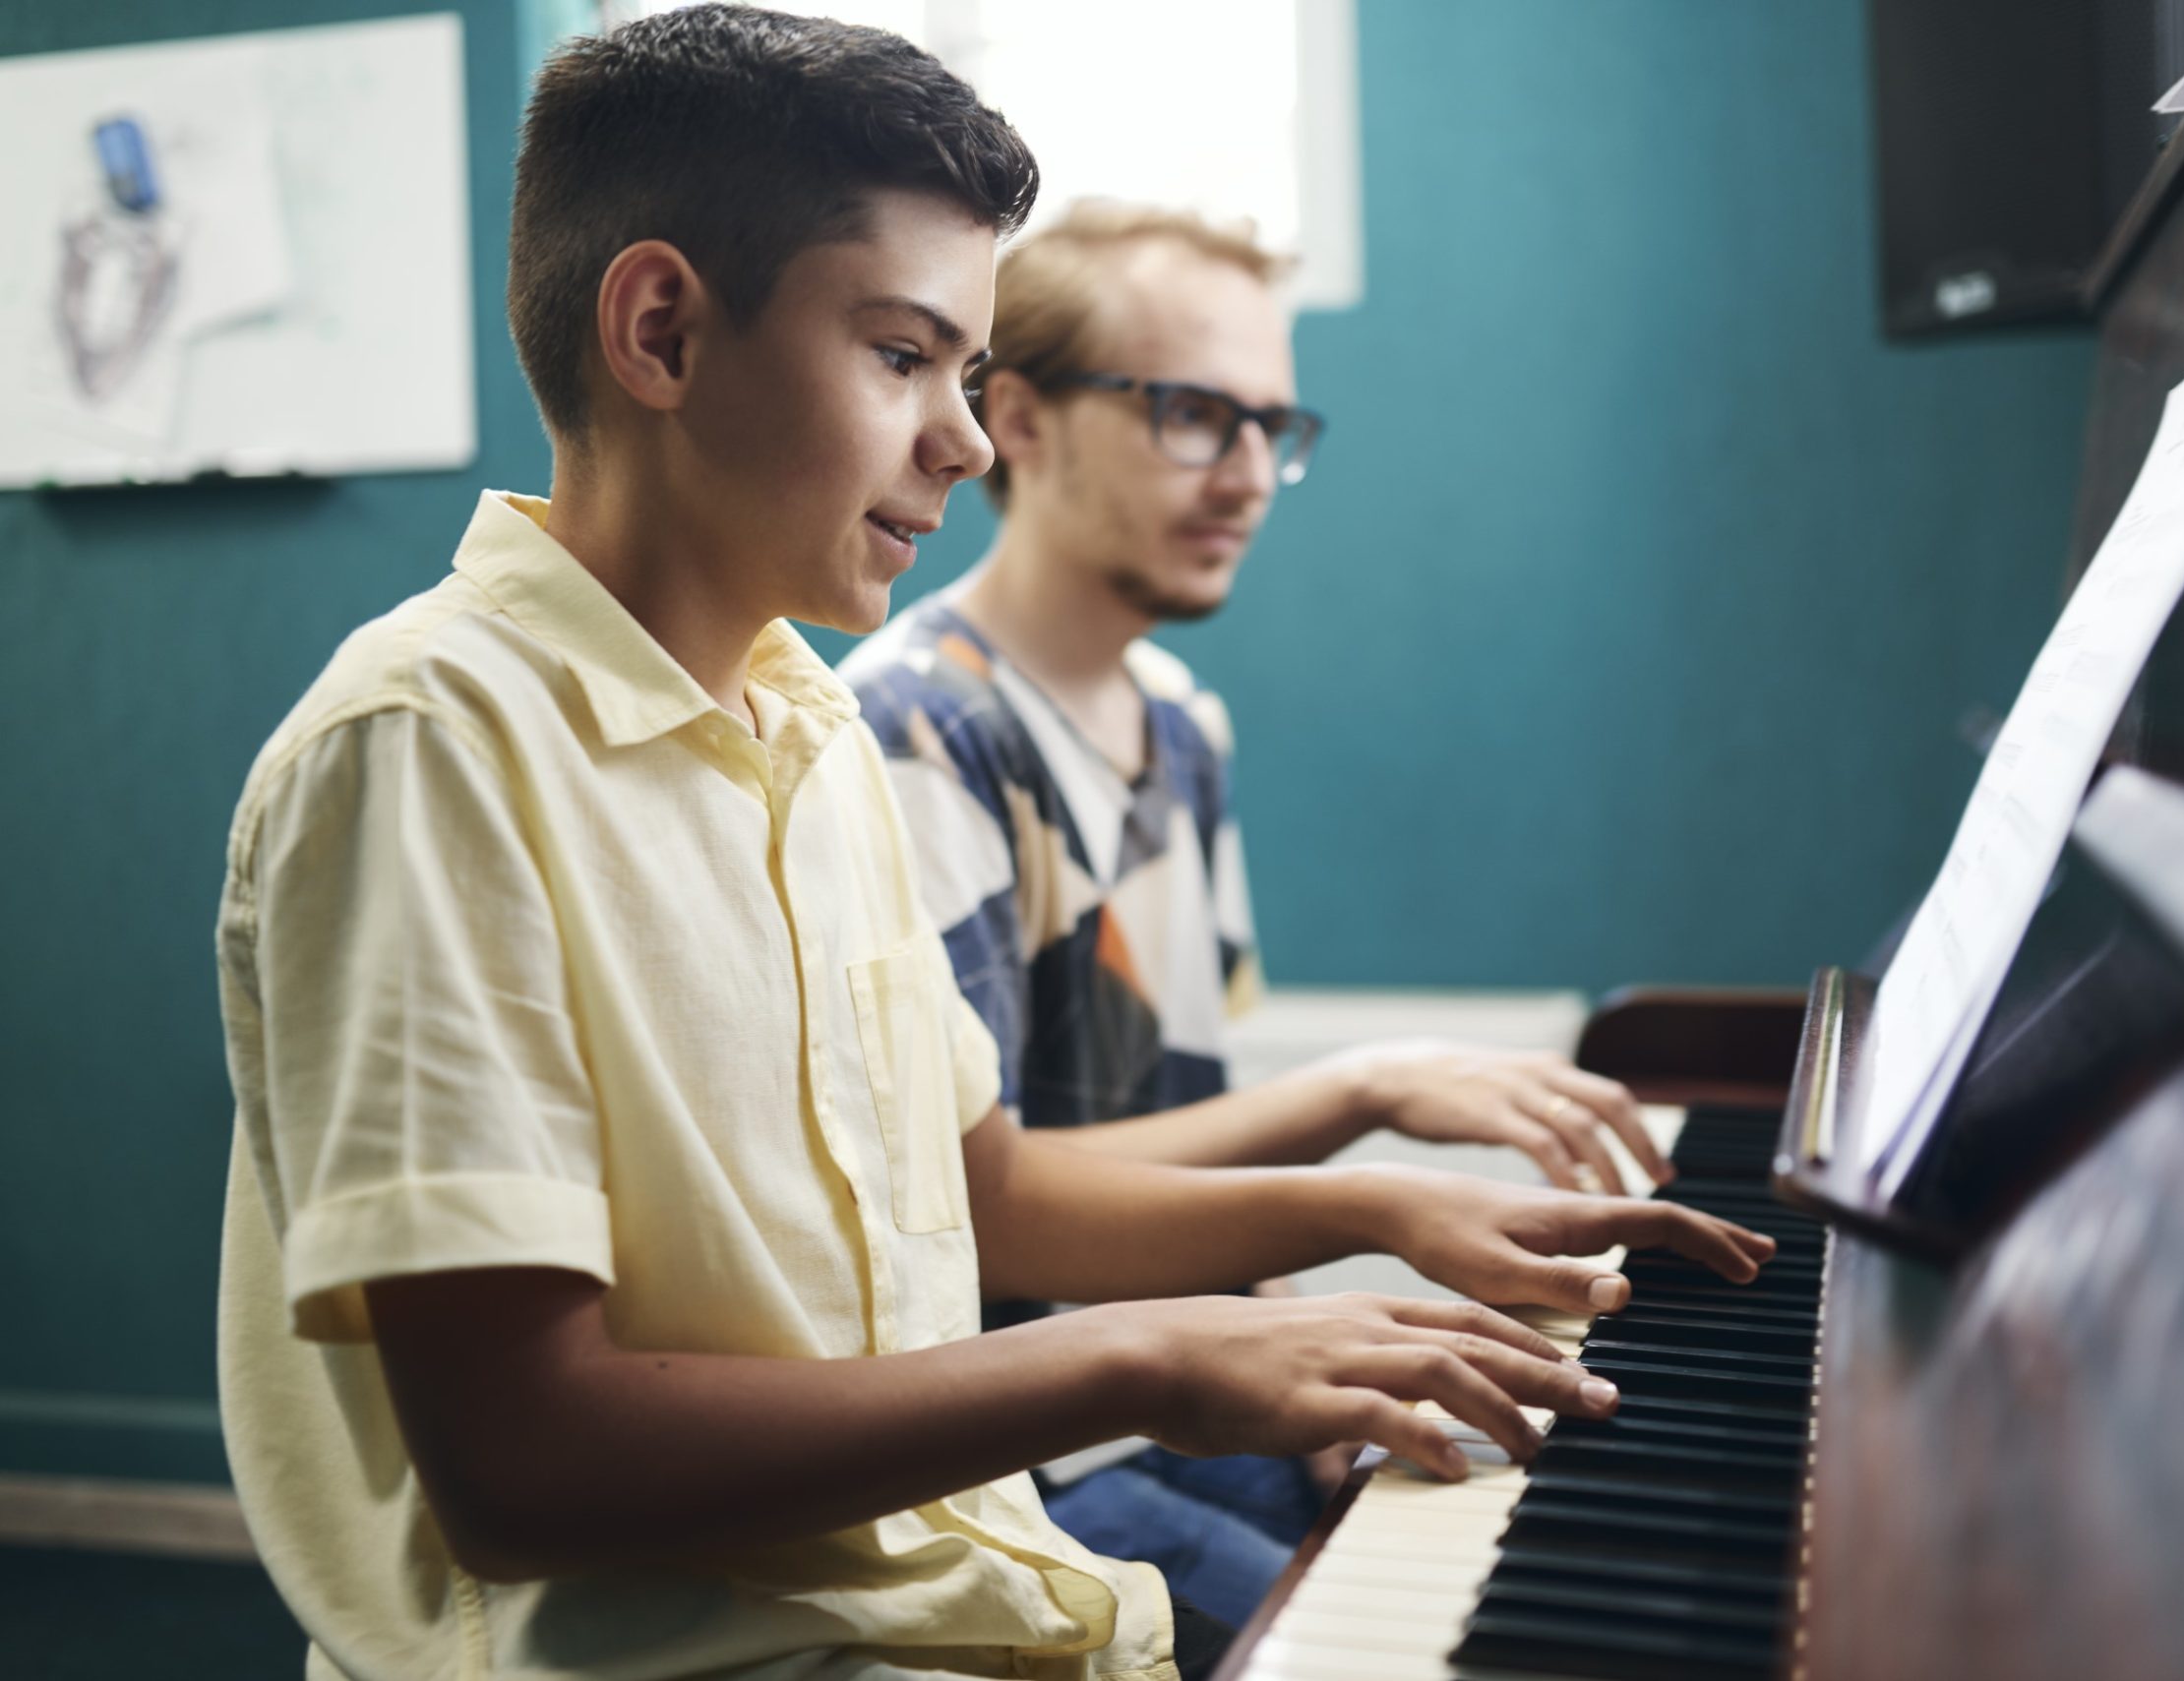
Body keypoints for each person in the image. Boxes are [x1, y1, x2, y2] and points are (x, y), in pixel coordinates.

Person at [212, 12, 1776, 1681]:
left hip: (969, 1608)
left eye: (965, 373)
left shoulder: (806, 735)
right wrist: (1140, 1362)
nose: (964, 438)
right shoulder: (429, 747)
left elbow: (993, 1189)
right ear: (660, 329)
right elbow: (526, 1467)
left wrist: (1387, 1204)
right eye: (902, 358)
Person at [839, 205, 1678, 1620]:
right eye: (1191, 415)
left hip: (1197, 1391)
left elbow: (1189, 1122)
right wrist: (1364, 1093)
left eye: (1270, 428)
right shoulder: (918, 729)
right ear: (1023, 422)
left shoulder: (1183, 723)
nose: (1246, 476)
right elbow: (985, 1211)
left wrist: (1318, 1373)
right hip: (1023, 1456)